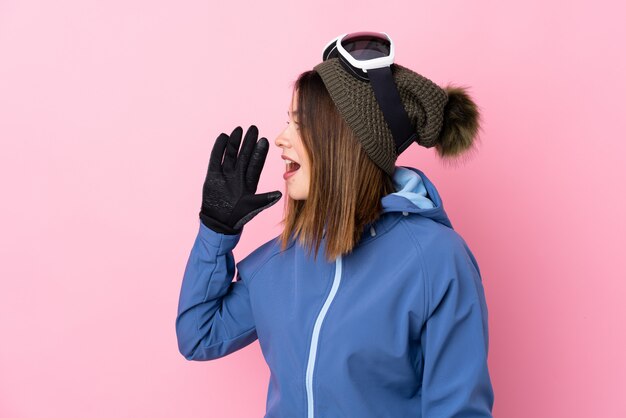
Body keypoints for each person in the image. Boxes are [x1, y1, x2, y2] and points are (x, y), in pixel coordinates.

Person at [175, 32, 495, 417]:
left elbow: (458, 410)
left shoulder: (436, 260)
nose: (280, 139)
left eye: (300, 124)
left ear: (342, 141)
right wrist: (217, 230)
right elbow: (199, 335)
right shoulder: (287, 257)